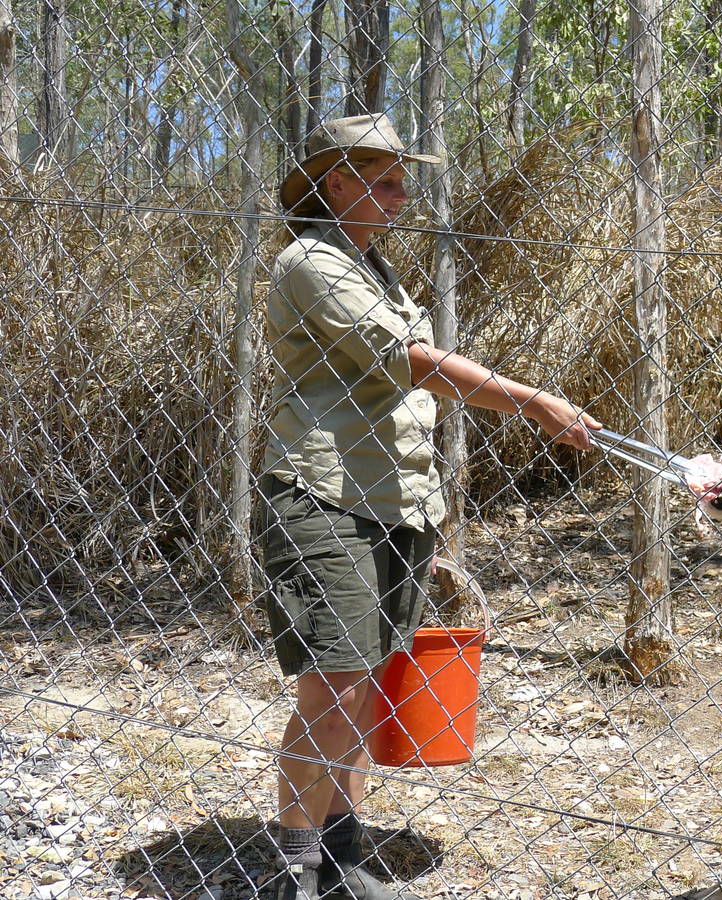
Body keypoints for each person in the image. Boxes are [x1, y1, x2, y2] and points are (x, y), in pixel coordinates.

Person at [258, 113, 601, 900]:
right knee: (333, 692)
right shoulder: (310, 260)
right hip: (326, 497)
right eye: (383, 181)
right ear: (334, 181)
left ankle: (341, 861)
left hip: (394, 503)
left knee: (360, 688)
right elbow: (407, 360)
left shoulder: (375, 268)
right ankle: (299, 874)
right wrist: (532, 401)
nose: (400, 195)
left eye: (403, 180)